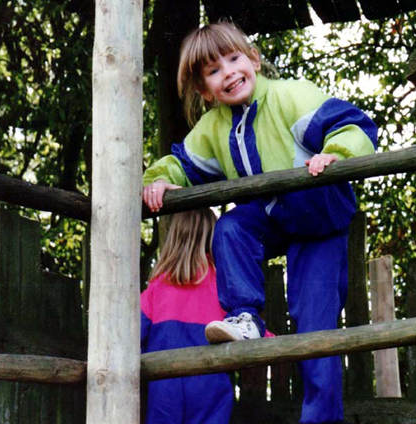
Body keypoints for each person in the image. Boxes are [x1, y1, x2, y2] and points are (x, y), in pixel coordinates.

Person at [142, 22, 377, 424]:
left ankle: (321, 420)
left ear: (253, 60)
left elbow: (354, 125)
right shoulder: (214, 127)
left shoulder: (291, 96)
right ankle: (246, 316)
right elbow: (182, 164)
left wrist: (335, 153)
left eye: (234, 59)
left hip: (319, 217)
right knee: (231, 228)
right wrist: (158, 179)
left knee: (315, 326)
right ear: (204, 90)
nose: (228, 72)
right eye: (213, 71)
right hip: (271, 215)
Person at [140, 209, 233, 424]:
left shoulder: (156, 289)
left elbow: (132, 336)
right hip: (210, 381)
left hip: (164, 382)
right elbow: (243, 324)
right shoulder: (222, 286)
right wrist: (270, 338)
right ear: (213, 241)